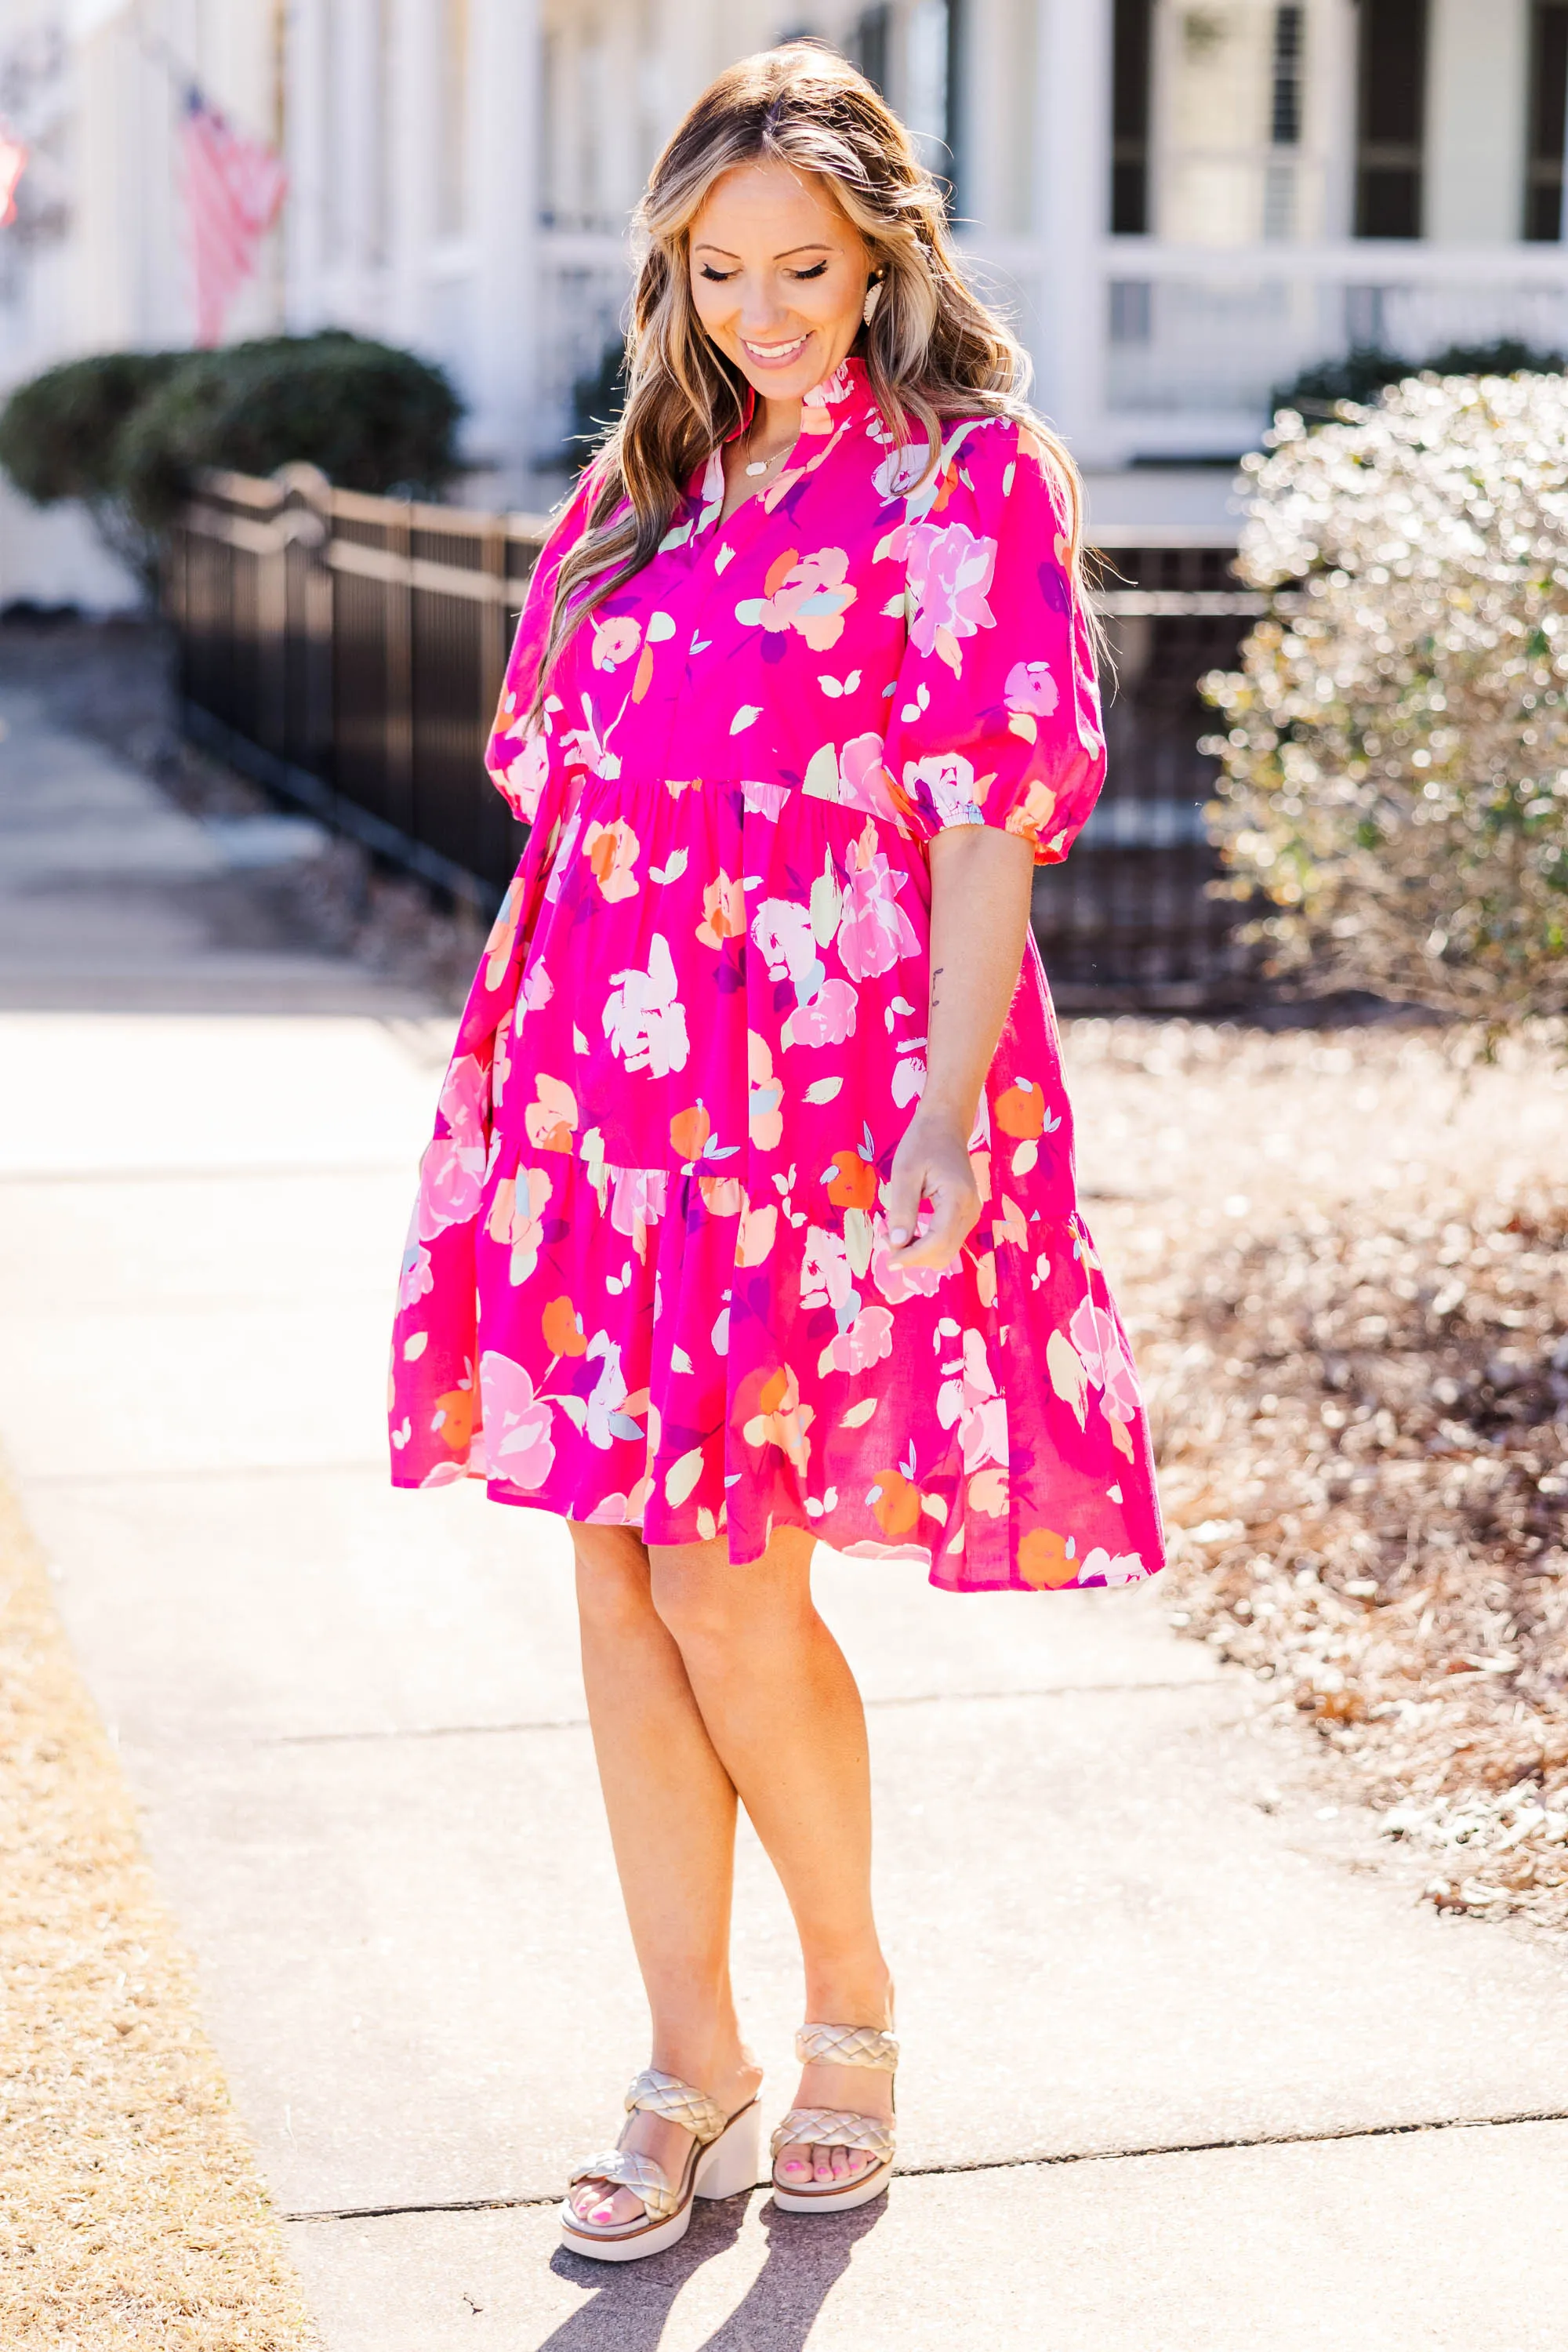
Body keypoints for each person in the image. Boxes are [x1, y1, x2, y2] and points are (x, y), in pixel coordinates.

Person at [388, 42, 1165, 2263]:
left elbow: (990, 809)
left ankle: (852, 2015)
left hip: (816, 1086)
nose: (761, 310)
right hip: (596, 1085)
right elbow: (566, 795)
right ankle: (684, 2054)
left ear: (888, 252)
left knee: (735, 1570)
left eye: (804, 268)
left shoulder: (966, 478)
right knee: (618, 1581)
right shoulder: (644, 479)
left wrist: (945, 1106)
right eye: (716, 270)